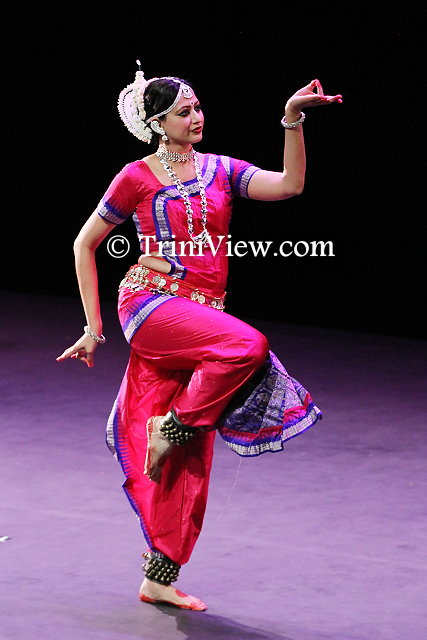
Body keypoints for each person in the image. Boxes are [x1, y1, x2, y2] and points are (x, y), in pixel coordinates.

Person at [57, 63, 342, 611]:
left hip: (201, 318)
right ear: (157, 123)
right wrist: (94, 328)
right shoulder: (135, 176)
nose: (196, 118)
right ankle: (172, 425)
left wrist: (291, 118)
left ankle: (159, 576)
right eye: (183, 112)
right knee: (248, 347)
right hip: (150, 305)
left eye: (197, 108)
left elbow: (290, 185)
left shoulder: (220, 169)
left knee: (188, 461)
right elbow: (84, 243)